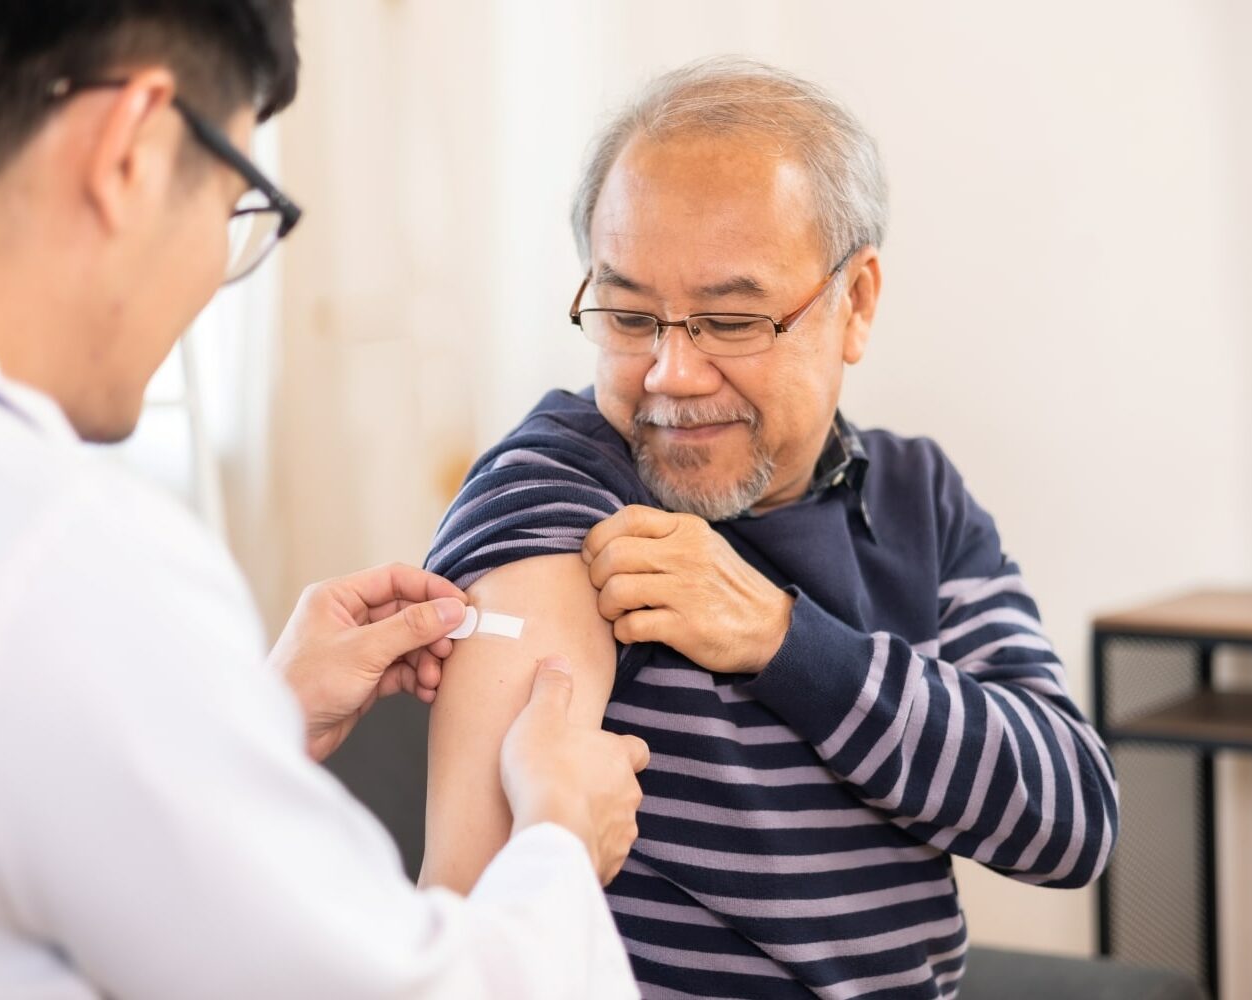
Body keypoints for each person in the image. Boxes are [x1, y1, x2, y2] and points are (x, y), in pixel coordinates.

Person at [0, 3, 649, 998]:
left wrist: (253, 715)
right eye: (234, 208)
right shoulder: (62, 557)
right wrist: (561, 836)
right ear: (130, 150)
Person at [420, 57, 1120, 999]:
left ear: (855, 303)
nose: (671, 372)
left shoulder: (915, 494)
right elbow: (471, 929)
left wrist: (785, 642)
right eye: (629, 315)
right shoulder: (558, 489)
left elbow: (1071, 820)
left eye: (732, 320)